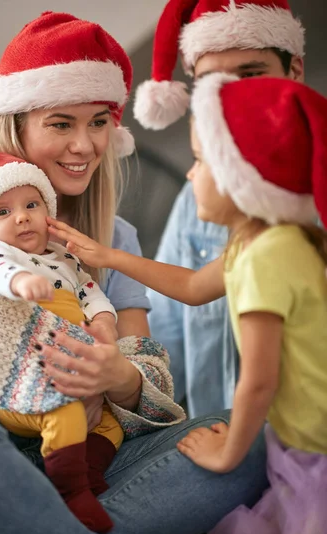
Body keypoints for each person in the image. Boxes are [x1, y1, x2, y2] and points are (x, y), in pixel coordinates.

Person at [0, 10, 268, 534]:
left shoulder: (118, 240)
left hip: (87, 463)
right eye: (61, 123)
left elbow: (154, 382)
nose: (83, 145)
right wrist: (69, 369)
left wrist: (119, 378)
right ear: (18, 122)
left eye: (99, 122)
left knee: (250, 438)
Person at [53, 73, 327, 534]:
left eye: (201, 162)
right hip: (298, 434)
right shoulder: (257, 239)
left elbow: (260, 382)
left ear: (243, 177)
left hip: (313, 446)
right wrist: (107, 256)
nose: (189, 175)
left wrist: (228, 453)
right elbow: (193, 286)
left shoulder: (272, 256)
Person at [134, 0, 306, 417]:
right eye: (214, 83)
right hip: (214, 442)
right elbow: (166, 339)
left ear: (294, 72)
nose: (233, 99)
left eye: (251, 75)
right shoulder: (195, 202)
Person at [0, 135, 123, 534]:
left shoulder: (66, 259)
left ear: (48, 212)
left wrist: (105, 322)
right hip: (28, 374)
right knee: (63, 411)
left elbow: (92, 294)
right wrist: (21, 282)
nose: (21, 217)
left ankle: (85, 471)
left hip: (78, 367)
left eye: (31, 205)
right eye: (3, 211)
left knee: (111, 423)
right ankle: (71, 493)